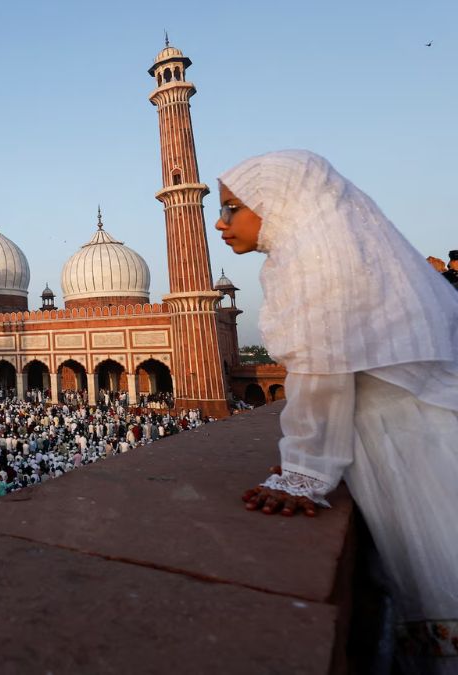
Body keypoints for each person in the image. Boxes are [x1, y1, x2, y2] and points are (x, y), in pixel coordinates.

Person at [217, 150, 458, 669]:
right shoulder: (332, 249)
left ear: (281, 204)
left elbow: (321, 373)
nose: (220, 221)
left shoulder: (314, 258)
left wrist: (303, 472)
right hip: (417, 437)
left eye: (234, 208)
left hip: (421, 456)